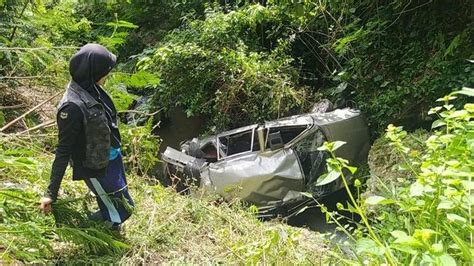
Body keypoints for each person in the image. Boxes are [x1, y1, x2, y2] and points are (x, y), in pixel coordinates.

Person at [39, 43, 134, 229]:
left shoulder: (90, 86)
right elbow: (63, 150)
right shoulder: (72, 108)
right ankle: (109, 231)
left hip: (110, 155)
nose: (108, 75)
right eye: (106, 71)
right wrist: (51, 192)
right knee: (123, 210)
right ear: (94, 71)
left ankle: (106, 213)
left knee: (120, 197)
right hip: (94, 166)